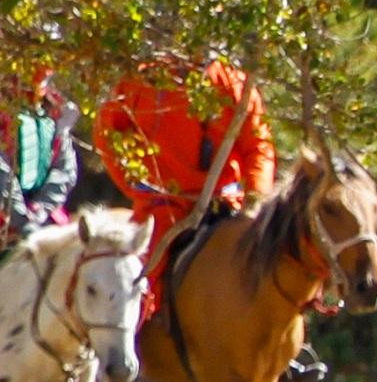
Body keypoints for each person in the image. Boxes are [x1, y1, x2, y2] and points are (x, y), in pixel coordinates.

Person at [93, 55, 274, 299]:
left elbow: (259, 146)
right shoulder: (141, 78)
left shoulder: (234, 83)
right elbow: (107, 132)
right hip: (162, 207)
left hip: (224, 205)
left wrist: (255, 199)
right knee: (138, 285)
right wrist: (135, 184)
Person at [9, 77, 78, 241]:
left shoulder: (55, 114)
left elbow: (65, 170)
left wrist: (39, 211)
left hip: (42, 217)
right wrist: (19, 218)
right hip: (8, 215)